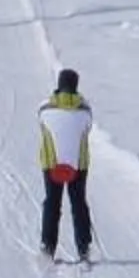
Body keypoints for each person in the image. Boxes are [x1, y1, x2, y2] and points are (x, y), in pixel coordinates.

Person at [38, 69, 94, 261]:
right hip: (79, 164)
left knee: (52, 203)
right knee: (78, 203)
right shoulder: (85, 111)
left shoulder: (46, 109)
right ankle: (84, 247)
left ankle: (47, 247)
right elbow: (88, 126)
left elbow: (40, 121)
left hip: (51, 162)